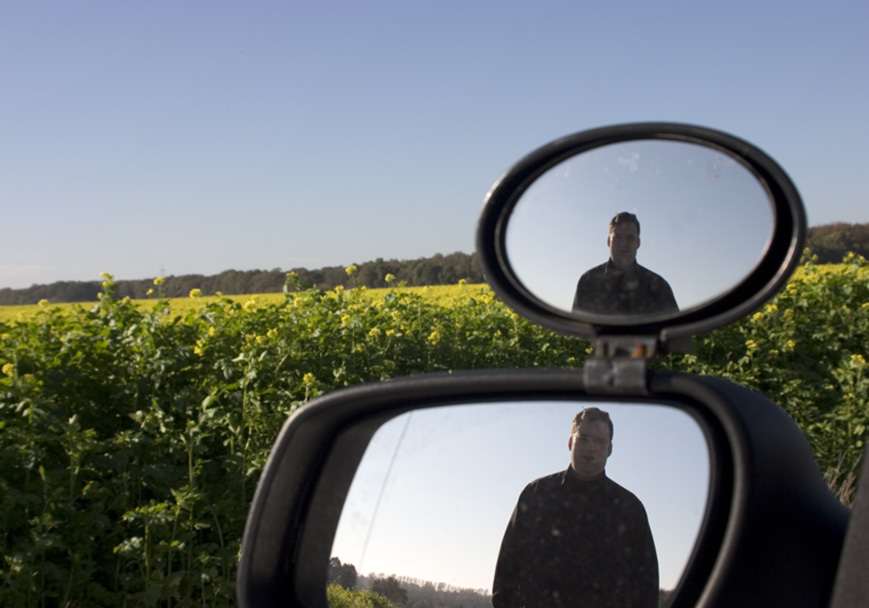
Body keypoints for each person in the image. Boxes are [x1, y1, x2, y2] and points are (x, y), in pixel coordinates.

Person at [492, 407, 659, 608]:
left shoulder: (630, 508)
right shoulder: (536, 494)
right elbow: (508, 565)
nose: (590, 448)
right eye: (583, 438)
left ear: (609, 449)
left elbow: (646, 584)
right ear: (571, 442)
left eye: (599, 442)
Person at [572, 212, 678, 315]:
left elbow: (675, 329)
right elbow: (577, 328)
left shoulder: (658, 286)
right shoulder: (588, 281)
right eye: (617, 238)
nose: (623, 244)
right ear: (608, 241)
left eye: (630, 238)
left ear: (638, 243)